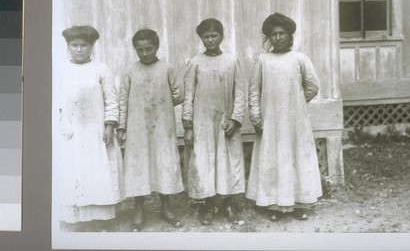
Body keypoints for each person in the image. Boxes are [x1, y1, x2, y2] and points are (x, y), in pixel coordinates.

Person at [246, 13, 323, 221]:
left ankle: (299, 203)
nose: (278, 38)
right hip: (270, 122)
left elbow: (312, 86)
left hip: (294, 122)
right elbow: (253, 92)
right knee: (272, 159)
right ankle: (273, 205)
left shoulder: (299, 58)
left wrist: (295, 102)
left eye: (282, 34)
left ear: (290, 36)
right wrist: (256, 117)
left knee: (296, 159)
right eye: (274, 34)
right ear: (268, 38)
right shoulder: (262, 60)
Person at [55, 25, 123, 232]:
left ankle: (99, 218)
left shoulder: (101, 69)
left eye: (83, 45)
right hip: (71, 132)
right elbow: (55, 102)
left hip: (95, 131)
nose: (78, 49)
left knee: (97, 171)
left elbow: (111, 100)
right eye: (74, 45)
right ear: (68, 46)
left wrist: (109, 125)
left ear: (91, 46)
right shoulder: (61, 69)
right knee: (75, 172)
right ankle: (77, 219)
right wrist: (62, 125)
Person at [116, 29, 184, 231]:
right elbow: (123, 100)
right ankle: (139, 210)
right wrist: (121, 126)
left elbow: (179, 94)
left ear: (157, 47)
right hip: (137, 128)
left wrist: (160, 104)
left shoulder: (167, 68)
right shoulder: (130, 70)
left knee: (164, 163)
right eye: (140, 50)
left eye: (149, 49)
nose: (145, 53)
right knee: (139, 166)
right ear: (135, 50)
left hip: (163, 127)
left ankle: (166, 207)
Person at [182, 18, 246, 225]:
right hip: (202, 124)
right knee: (205, 163)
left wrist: (235, 120)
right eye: (206, 37)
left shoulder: (231, 61)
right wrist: (189, 127)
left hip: (225, 123)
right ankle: (209, 206)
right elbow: (188, 96)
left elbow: (240, 93)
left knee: (226, 163)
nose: (210, 40)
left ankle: (227, 204)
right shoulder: (195, 63)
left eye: (214, 36)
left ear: (221, 36)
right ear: (201, 38)